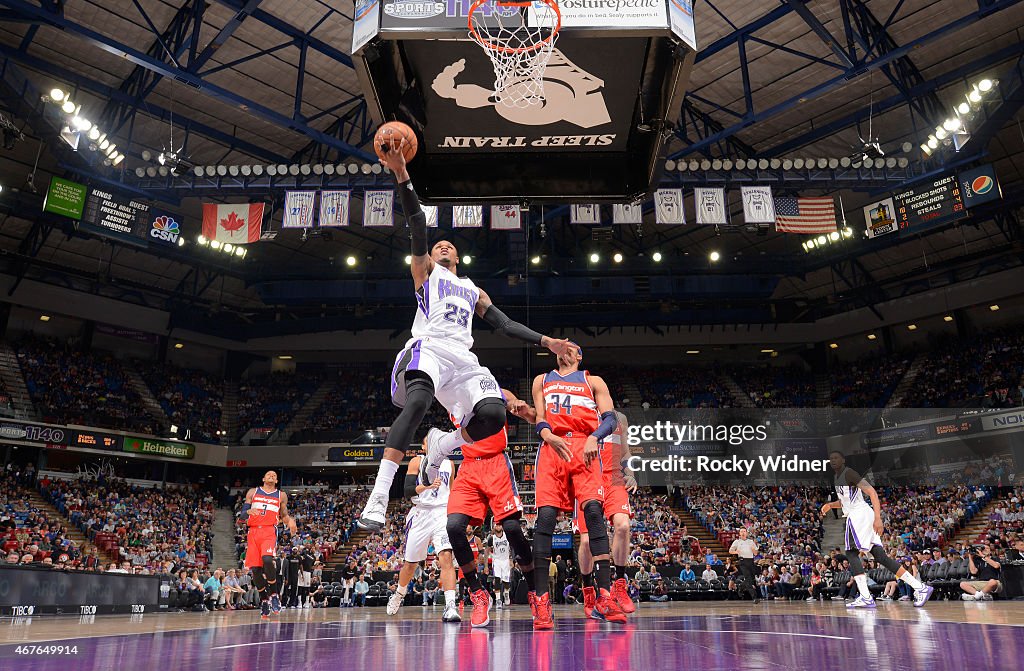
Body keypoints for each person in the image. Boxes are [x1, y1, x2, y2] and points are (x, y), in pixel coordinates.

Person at [357, 141, 571, 531]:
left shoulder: (473, 289)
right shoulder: (425, 273)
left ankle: (444, 444)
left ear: (457, 259)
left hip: (463, 360)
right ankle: (379, 494)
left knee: (492, 415)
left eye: (448, 246)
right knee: (420, 401)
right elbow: (418, 224)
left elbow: (505, 325)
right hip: (430, 349)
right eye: (438, 245)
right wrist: (401, 171)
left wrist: (548, 342)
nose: (442, 246)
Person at [527, 343, 626, 629]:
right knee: (545, 518)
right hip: (552, 447)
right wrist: (547, 435)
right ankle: (542, 602)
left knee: (594, 512)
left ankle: (604, 596)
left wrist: (595, 437)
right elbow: (540, 417)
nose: (565, 349)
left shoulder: (592, 380)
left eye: (572, 347)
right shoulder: (541, 380)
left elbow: (610, 419)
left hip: (585, 446)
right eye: (561, 345)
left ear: (580, 355)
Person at [443, 389, 537, 628]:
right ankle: (478, 594)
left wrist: (517, 405)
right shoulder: (448, 396)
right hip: (469, 467)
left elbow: (514, 403)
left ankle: (536, 593)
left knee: (513, 529)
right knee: (453, 527)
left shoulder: (492, 389)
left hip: (496, 463)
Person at [820, 451, 932, 608]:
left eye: (836, 457)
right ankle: (920, 587)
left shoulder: (849, 473)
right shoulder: (837, 478)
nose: (833, 460)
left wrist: (878, 518)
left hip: (859, 515)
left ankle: (865, 596)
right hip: (860, 514)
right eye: (830, 458)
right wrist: (831, 505)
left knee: (851, 553)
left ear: (843, 460)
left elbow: (871, 492)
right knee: (880, 557)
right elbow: (846, 501)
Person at [386, 446, 460, 622]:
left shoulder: (449, 463)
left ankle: (450, 605)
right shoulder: (417, 461)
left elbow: (453, 491)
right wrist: (426, 485)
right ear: (424, 446)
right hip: (421, 513)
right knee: (410, 565)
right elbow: (407, 491)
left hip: (442, 512)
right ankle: (399, 593)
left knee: (446, 557)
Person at [238, 470, 297, 620]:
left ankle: (274, 594)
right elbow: (243, 515)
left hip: (269, 531)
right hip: (253, 533)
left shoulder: (280, 495)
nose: (271, 476)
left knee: (267, 559)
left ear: (276, 481)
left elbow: (284, 515)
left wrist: (290, 522)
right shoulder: (253, 492)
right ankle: (264, 600)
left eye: (274, 475)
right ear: (263, 478)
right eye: (268, 474)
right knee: (256, 570)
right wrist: (249, 511)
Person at [728, 527, 761, 603]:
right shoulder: (737, 541)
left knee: (751, 579)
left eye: (744, 531)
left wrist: (753, 550)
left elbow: (756, 553)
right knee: (748, 579)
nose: (743, 533)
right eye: (741, 531)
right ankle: (754, 597)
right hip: (742, 561)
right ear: (739, 533)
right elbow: (730, 551)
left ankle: (741, 587)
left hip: (751, 561)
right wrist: (736, 552)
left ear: (746, 533)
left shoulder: (750, 541)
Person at [488, 522, 513, 610]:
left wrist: (511, 559)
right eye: (496, 525)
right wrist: (486, 566)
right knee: (497, 579)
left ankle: (506, 593)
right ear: (494, 527)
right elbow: (487, 550)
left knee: (506, 581)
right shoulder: (492, 538)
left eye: (499, 525)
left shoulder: (508, 536)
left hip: (506, 560)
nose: (498, 526)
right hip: (497, 560)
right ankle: (498, 599)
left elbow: (512, 548)